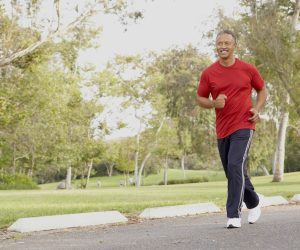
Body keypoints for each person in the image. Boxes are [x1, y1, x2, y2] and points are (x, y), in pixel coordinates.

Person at [197, 29, 267, 229]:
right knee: (233, 171)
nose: (223, 46)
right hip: (223, 128)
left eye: (227, 43)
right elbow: (200, 98)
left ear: (235, 45)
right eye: (219, 43)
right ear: (216, 46)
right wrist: (213, 104)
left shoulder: (248, 69)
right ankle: (254, 201)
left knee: (235, 165)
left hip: (244, 124)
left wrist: (257, 108)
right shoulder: (209, 73)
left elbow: (262, 89)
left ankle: (233, 216)